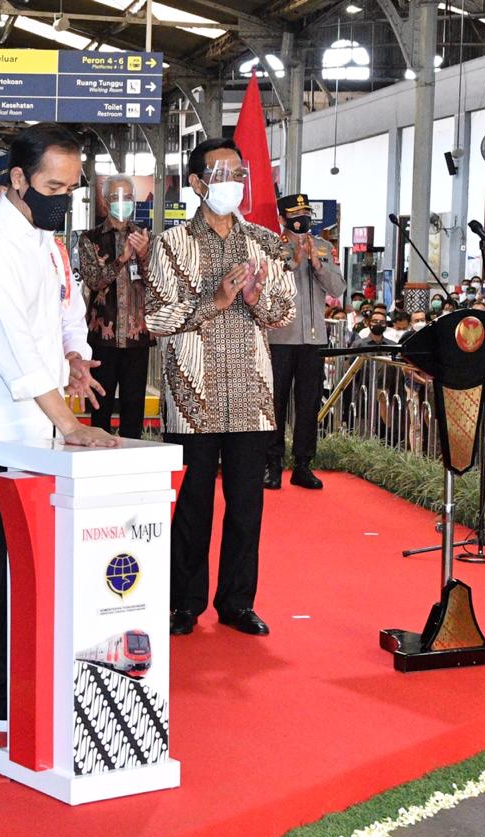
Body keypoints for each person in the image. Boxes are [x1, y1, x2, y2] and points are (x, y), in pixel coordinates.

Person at [0, 123, 114, 760]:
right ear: (16, 179)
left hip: (39, 436)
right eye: (52, 186)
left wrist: (76, 354)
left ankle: (5, 689)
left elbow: (67, 312)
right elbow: (13, 345)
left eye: (71, 189)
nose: (62, 199)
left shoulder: (48, 243)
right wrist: (70, 424)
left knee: (30, 572)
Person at [144, 137, 296, 638]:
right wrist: (216, 299)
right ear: (197, 183)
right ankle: (184, 602)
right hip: (193, 395)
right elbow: (156, 318)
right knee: (192, 506)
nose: (233, 184)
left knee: (247, 504)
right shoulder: (171, 244)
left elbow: (284, 312)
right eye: (222, 174)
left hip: (251, 396)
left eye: (239, 174)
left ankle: (236, 602)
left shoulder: (265, 244)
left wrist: (254, 298)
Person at [264, 193, 346, 491]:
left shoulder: (323, 247)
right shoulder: (271, 248)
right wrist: (292, 262)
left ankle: (302, 464)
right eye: (296, 214)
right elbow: (267, 287)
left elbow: (338, 287)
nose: (303, 220)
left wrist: (316, 264)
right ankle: (272, 465)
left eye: (306, 214)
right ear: (283, 219)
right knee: (275, 403)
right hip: (281, 338)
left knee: (309, 403)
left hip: (313, 339)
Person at [77, 174, 153, 439]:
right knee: (101, 404)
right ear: (106, 201)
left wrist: (143, 256)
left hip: (137, 336)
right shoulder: (91, 239)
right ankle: (98, 459)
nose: (124, 203)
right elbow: (94, 280)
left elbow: (157, 281)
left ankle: (133, 463)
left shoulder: (145, 237)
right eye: (117, 197)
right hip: (103, 336)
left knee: (134, 405)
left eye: (129, 197)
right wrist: (121, 259)